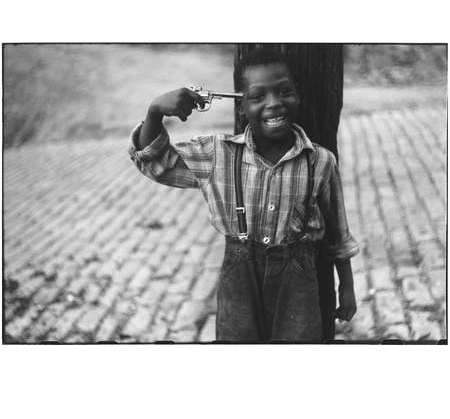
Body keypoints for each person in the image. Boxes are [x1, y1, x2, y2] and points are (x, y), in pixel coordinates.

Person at [128, 48, 359, 342]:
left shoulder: (321, 161)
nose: (274, 104)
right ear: (241, 107)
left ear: (299, 95)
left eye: (284, 91)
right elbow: (156, 162)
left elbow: (338, 235)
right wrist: (155, 112)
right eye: (258, 96)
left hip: (299, 284)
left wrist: (347, 288)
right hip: (239, 283)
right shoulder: (218, 156)